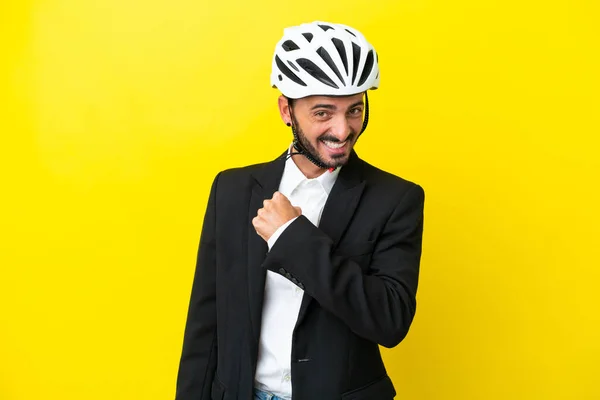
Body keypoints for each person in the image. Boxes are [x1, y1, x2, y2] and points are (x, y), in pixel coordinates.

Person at [175, 21, 425, 400]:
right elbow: (206, 322)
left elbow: (390, 321)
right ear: (286, 110)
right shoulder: (232, 190)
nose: (343, 131)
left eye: (354, 110)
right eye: (323, 113)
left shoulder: (395, 199)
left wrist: (292, 238)